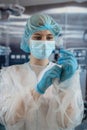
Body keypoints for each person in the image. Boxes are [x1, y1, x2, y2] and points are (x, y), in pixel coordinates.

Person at [0, 13, 84, 130]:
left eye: (49, 38)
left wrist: (67, 84)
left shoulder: (63, 74)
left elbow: (68, 122)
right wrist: (37, 91)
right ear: (27, 40)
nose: (44, 42)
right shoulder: (11, 74)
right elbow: (10, 119)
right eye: (38, 37)